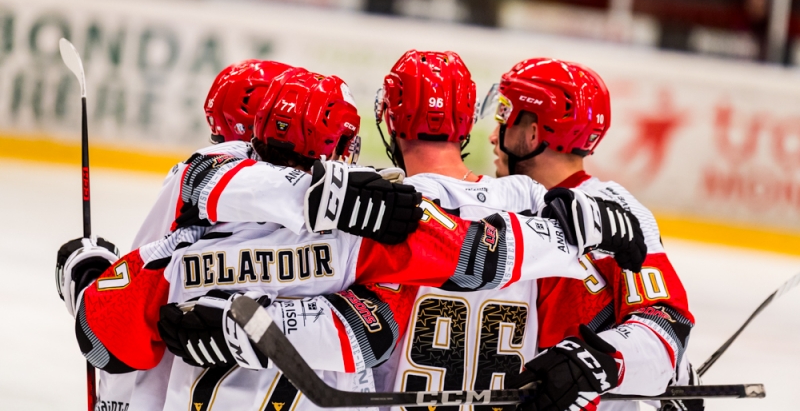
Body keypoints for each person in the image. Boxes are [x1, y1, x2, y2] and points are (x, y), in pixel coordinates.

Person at [65, 68, 646, 411]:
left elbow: (105, 337)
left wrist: (89, 275)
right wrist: (579, 228)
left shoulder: (174, 251)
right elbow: (408, 305)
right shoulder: (367, 234)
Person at [56, 60, 422, 410]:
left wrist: (92, 278)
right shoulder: (356, 230)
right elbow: (375, 331)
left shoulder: (187, 233)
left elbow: (111, 334)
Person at [485, 58, 697, 411]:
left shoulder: (614, 215)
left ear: (535, 133)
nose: (493, 136)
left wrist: (597, 361)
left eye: (504, 117)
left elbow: (664, 321)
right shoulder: (499, 203)